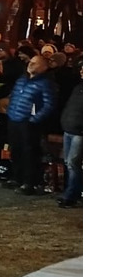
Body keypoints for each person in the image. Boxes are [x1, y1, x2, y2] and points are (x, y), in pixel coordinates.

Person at [5, 53, 58, 196]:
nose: (30, 64)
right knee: (15, 150)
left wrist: (34, 119)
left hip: (28, 123)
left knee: (29, 153)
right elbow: (14, 96)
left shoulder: (46, 83)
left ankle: (29, 182)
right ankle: (17, 177)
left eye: (35, 63)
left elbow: (49, 104)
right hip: (14, 119)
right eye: (31, 62)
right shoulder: (22, 79)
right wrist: (10, 112)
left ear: (44, 67)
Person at [58, 62, 82, 208]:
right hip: (69, 129)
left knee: (73, 163)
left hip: (79, 132)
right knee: (68, 162)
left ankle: (71, 195)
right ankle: (72, 191)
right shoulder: (78, 87)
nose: (82, 71)